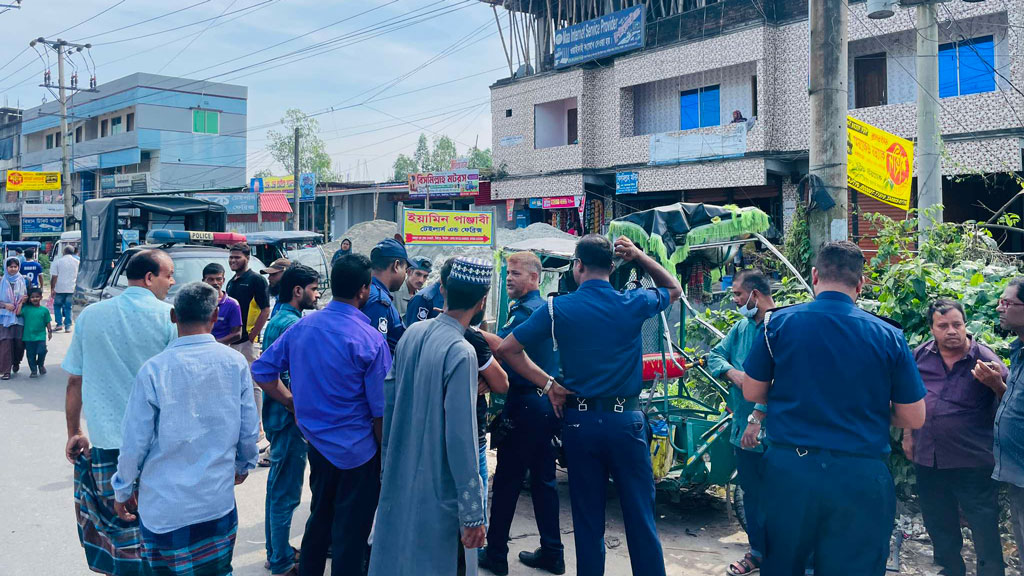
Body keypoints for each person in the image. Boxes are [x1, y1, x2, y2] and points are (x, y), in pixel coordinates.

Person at [497, 235, 682, 576]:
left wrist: (549, 384)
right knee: (640, 517)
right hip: (626, 423)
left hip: (580, 424)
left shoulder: (557, 308)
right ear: (611, 267)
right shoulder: (632, 301)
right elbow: (674, 289)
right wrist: (639, 256)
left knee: (588, 520)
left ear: (577, 266)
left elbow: (507, 349)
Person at [742, 241, 927, 575]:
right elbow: (914, 415)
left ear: (815, 275)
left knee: (783, 564)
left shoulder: (777, 324)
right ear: (861, 283)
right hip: (859, 473)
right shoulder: (888, 335)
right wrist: (869, 409)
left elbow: (752, 391)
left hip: (791, 471)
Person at [253, 254, 390, 576]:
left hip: (317, 444)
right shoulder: (370, 339)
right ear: (363, 290)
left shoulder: (303, 327)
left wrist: (291, 402)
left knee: (320, 518)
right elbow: (380, 411)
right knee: (350, 534)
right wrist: (384, 457)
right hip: (358, 453)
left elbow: (262, 371)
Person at [111, 282, 259, 576]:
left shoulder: (154, 370)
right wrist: (244, 465)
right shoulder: (235, 363)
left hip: (165, 510)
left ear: (173, 316)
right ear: (215, 316)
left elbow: (134, 441)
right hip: (216, 503)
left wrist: (123, 489)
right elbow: (248, 428)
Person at [370, 257, 495, 576]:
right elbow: (461, 439)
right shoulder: (460, 351)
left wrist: (388, 469)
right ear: (482, 302)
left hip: (401, 474)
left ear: (443, 289)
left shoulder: (412, 334)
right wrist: (473, 514)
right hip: (439, 490)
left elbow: (389, 404)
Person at [62, 249, 177, 575]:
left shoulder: (91, 316)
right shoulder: (168, 317)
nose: (172, 282)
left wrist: (74, 432)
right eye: (169, 275)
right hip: (156, 446)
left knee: (117, 526)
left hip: (107, 444)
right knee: (157, 525)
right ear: (149, 278)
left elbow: (74, 381)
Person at [902, 298, 1006, 576]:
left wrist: (996, 384)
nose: (951, 331)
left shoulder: (985, 358)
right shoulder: (920, 356)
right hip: (929, 456)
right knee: (938, 521)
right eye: (943, 325)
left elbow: (1011, 403)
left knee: (983, 523)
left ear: (965, 325)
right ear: (931, 328)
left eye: (957, 324)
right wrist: (908, 434)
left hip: (972, 460)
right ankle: (950, 569)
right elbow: (909, 396)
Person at [479, 251, 564, 576]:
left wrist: (470, 330)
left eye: (516, 273)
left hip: (527, 404)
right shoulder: (541, 310)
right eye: (508, 273)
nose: (509, 278)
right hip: (543, 405)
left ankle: (496, 554)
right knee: (543, 481)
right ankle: (553, 553)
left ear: (534, 278)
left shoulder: (528, 312)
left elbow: (502, 349)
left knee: (507, 482)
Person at [706, 269, 774, 576]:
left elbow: (781, 377)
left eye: (737, 294)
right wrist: (732, 373)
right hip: (741, 431)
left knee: (784, 498)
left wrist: (757, 416)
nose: (734, 300)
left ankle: (790, 559)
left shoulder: (780, 327)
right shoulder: (741, 328)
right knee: (753, 496)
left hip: (774, 432)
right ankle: (757, 553)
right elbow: (715, 356)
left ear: (755, 295)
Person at [260, 264, 320, 576]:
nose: (317, 295)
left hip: (278, 419)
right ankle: (282, 562)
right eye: (313, 289)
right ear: (298, 291)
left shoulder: (281, 318)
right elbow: (283, 375)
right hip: (287, 422)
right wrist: (295, 405)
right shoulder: (291, 325)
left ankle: (277, 551)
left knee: (277, 489)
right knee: (286, 493)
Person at [994, 278, 1024, 560]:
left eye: (1007, 302)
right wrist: (996, 385)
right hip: (1018, 476)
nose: (999, 308)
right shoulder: (1019, 351)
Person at [363, 238, 409, 353]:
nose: (405, 274)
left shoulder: (368, 290)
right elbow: (374, 353)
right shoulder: (378, 301)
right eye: (405, 269)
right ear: (396, 265)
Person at [203, 263, 243, 346]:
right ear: (204, 281)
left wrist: (215, 344)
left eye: (218, 279)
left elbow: (237, 334)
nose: (215, 283)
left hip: (221, 348)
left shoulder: (232, 304)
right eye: (211, 279)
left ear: (223, 280)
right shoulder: (197, 302)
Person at [0, 256, 26, 380]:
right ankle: (6, 370)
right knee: (5, 343)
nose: (13, 269)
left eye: (15, 266)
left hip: (19, 317)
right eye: (10, 266)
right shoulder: (1, 281)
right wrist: (5, 305)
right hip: (4, 318)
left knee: (19, 343)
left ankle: (16, 362)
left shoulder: (24, 281)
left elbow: (32, 297)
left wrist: (22, 303)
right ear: (6, 267)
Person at [17, 286, 52, 378]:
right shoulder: (26, 309)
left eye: (37, 297)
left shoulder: (44, 310)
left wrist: (50, 331)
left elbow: (47, 321)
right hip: (28, 337)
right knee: (30, 355)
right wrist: (21, 302)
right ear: (29, 298)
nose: (35, 299)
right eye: (32, 297)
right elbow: (18, 313)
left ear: (41, 297)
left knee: (42, 351)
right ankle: (33, 370)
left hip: (40, 335)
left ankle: (40, 364)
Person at [51, 245, 79, 332]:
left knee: (57, 306)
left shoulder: (58, 262)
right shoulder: (77, 262)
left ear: (64, 252)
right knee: (68, 307)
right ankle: (67, 326)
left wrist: (52, 288)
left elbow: (54, 277)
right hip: (72, 288)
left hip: (59, 288)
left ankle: (59, 324)